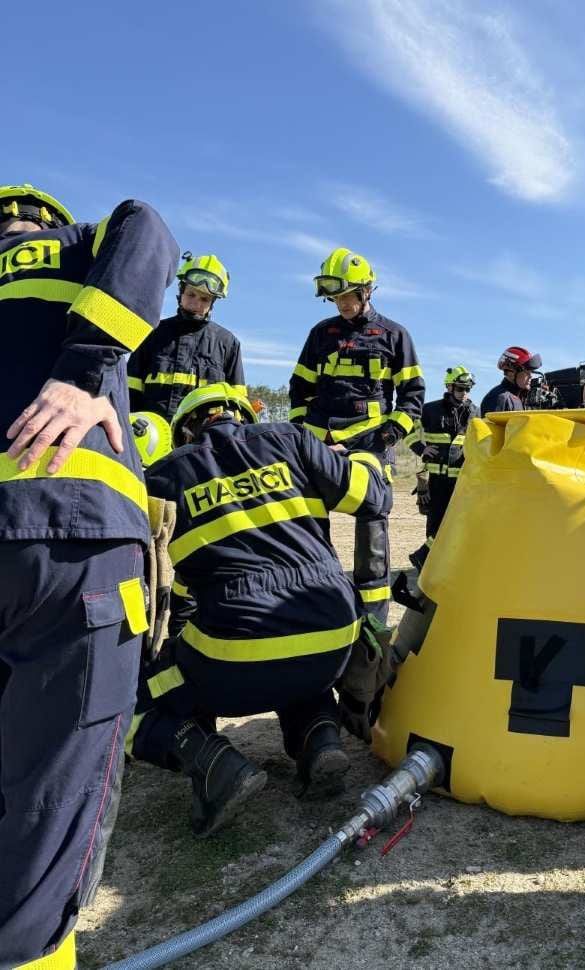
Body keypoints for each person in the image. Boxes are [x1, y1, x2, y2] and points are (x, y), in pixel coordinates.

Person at [0, 184, 178, 970]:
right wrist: (85, 367)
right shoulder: (79, 244)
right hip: (70, 534)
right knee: (52, 800)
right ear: (44, 216)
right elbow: (148, 225)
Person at [128, 383, 389, 836]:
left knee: (133, 695)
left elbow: (173, 591)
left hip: (239, 648)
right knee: (292, 640)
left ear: (186, 431)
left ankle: (212, 762)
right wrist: (362, 456)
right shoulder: (293, 439)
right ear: (241, 416)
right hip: (333, 636)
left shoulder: (165, 477)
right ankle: (318, 737)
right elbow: (375, 499)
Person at [289, 247, 424, 621]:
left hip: (371, 443)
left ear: (366, 291)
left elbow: (413, 394)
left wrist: (391, 434)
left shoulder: (395, 336)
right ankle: (316, 601)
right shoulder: (320, 334)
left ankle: (373, 615)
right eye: (336, 297)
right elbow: (299, 388)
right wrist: (303, 432)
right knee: (308, 518)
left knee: (373, 515)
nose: (342, 304)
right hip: (318, 442)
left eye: (348, 295)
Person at [128, 253, 246, 420]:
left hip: (202, 442)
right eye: (191, 294)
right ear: (181, 291)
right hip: (149, 436)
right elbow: (128, 389)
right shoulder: (153, 333)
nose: (196, 303)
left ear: (212, 302)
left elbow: (236, 404)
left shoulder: (228, 344)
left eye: (204, 299)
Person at [407, 366, 479, 570]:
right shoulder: (430, 410)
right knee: (435, 523)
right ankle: (427, 562)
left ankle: (426, 558)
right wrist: (421, 449)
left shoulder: (475, 411)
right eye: (460, 388)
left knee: (457, 523)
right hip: (436, 480)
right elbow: (408, 430)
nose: (464, 393)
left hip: (462, 480)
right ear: (449, 386)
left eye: (467, 389)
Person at [480, 346, 542, 413]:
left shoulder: (519, 397)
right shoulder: (499, 398)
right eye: (527, 372)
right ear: (511, 373)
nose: (531, 376)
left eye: (531, 372)